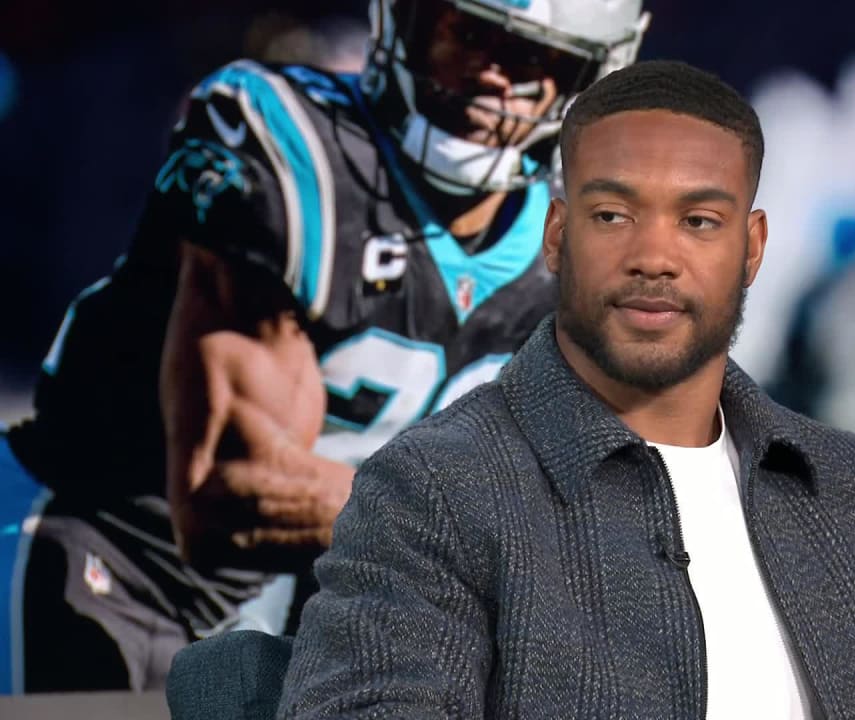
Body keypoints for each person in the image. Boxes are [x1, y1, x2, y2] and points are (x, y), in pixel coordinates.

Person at [278, 60, 855, 719]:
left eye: (698, 221)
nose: (656, 255)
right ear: (556, 239)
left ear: (751, 246)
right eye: (614, 215)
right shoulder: (431, 494)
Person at [0, 0, 649, 694]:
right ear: (405, 22)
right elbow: (226, 490)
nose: (494, 77)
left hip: (280, 614)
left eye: (532, 58)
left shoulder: (582, 248)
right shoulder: (292, 145)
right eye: (466, 34)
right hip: (102, 556)